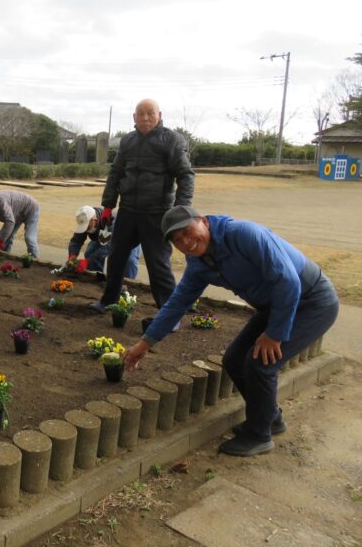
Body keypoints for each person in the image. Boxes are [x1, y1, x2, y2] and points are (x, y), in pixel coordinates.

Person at [123, 206, 339, 457]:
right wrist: (145, 344)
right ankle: (271, 419)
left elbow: (288, 282)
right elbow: (177, 303)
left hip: (312, 301)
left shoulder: (244, 235)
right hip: (274, 305)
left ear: (203, 221)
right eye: (177, 239)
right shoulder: (198, 264)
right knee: (234, 360)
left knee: (260, 363)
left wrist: (275, 334)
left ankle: (260, 435)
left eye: (187, 231)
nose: (186, 242)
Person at [90, 99, 194, 313]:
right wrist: (108, 205)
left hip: (157, 213)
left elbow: (185, 175)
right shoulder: (128, 141)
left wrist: (180, 211)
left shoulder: (171, 140)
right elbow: (116, 173)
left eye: (150, 113)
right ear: (134, 117)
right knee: (116, 256)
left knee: (158, 263)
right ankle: (109, 299)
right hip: (128, 210)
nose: (145, 118)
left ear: (160, 115)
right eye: (141, 114)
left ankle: (169, 313)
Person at [68, 205, 140, 277]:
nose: (86, 229)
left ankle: (127, 283)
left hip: (128, 236)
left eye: (87, 227)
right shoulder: (86, 218)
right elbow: (76, 240)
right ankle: (95, 277)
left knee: (129, 261)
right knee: (90, 252)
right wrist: (72, 255)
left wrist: (88, 262)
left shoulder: (112, 221)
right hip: (105, 235)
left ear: (94, 220)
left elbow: (108, 247)